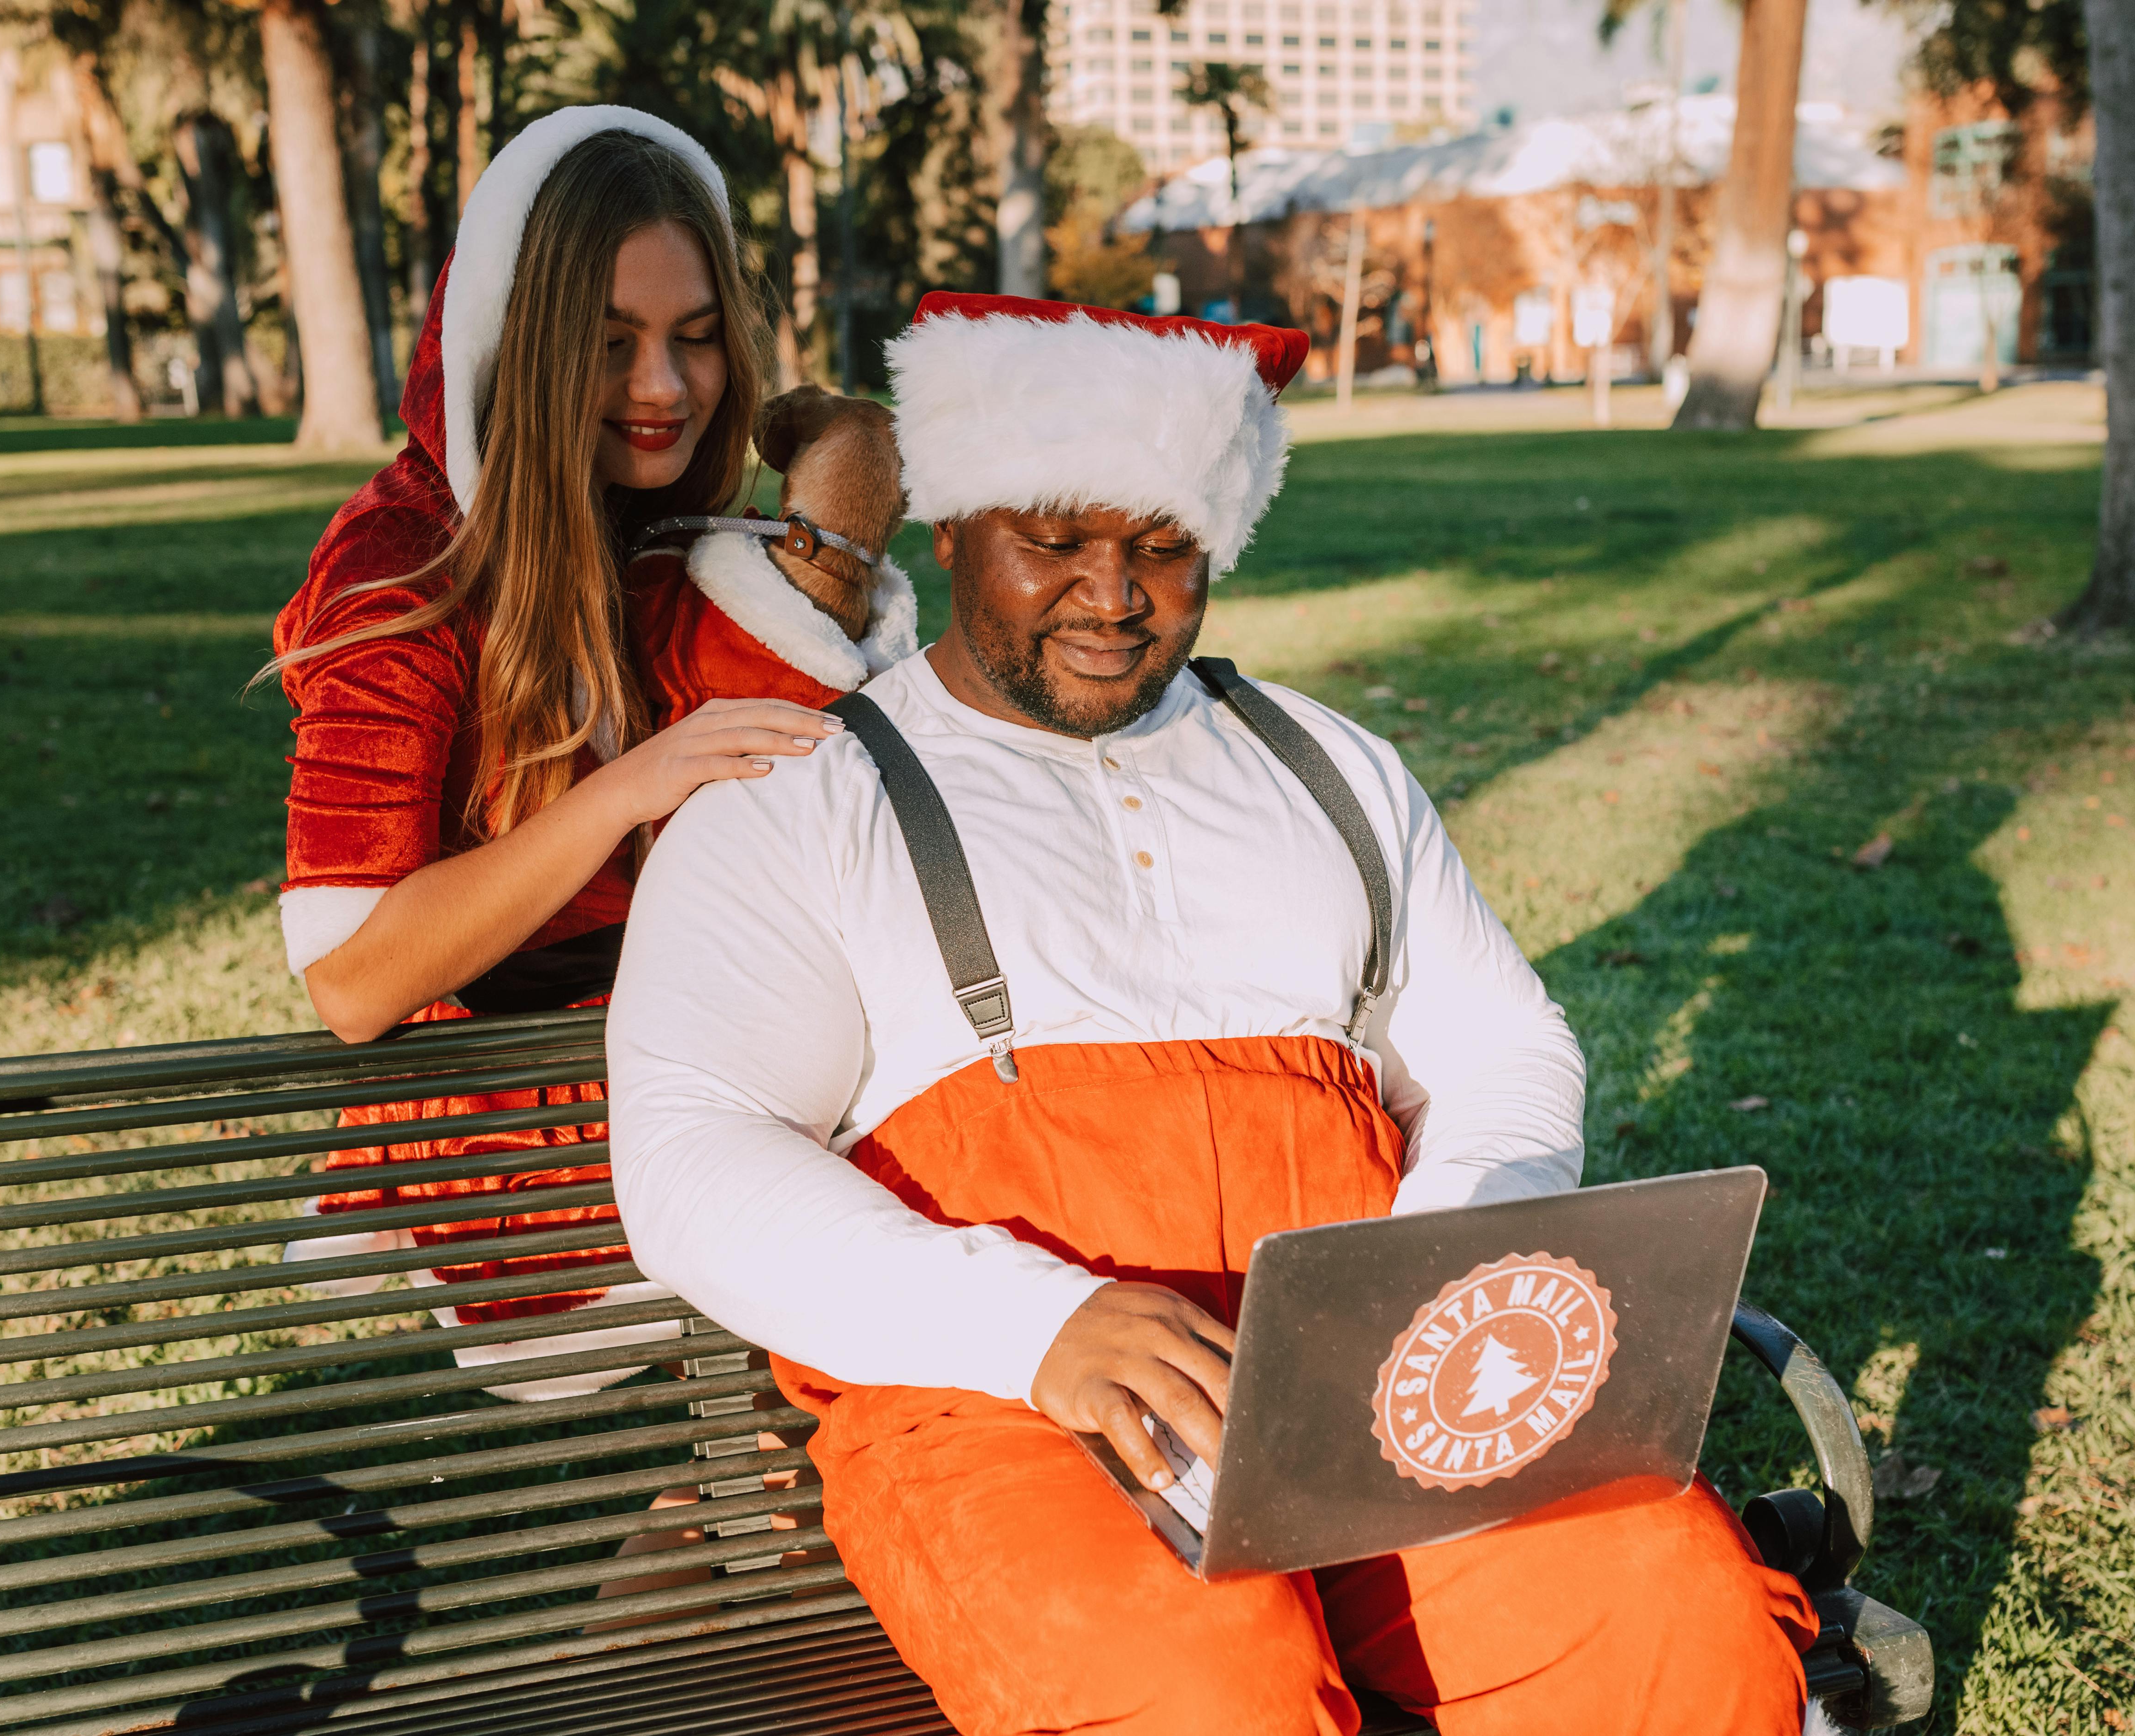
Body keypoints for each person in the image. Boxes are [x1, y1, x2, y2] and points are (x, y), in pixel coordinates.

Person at [606, 293, 1821, 1736]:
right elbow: (691, 1155)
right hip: (1006, 1405)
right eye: (1053, 540)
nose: (1112, 593)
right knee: (1198, 1687)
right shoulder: (804, 802)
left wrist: (1440, 1261)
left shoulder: (1331, 768)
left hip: (1365, 1397)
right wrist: (1031, 1320)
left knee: (1670, 1605)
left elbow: (1497, 1047)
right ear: (950, 526)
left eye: (1162, 547)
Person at [262, 106, 912, 1386]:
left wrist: (844, 472)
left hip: (731, 1093)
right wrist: (627, 789)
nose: (663, 388)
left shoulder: (652, 531)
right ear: (522, 345)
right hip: (539, 1165)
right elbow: (350, 979)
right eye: (610, 345)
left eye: (695, 338)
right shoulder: (402, 568)